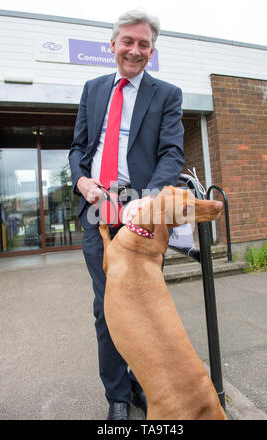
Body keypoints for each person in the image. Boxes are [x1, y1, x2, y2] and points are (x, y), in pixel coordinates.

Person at [68, 8, 185, 420]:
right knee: (108, 307)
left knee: (145, 305)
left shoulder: (167, 94)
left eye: (144, 45)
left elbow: (172, 153)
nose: (135, 51)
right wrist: (81, 181)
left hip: (140, 216)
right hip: (97, 212)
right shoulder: (93, 88)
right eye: (128, 42)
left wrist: (148, 197)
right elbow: (78, 150)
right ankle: (118, 394)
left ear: (152, 51)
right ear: (113, 44)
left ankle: (144, 380)